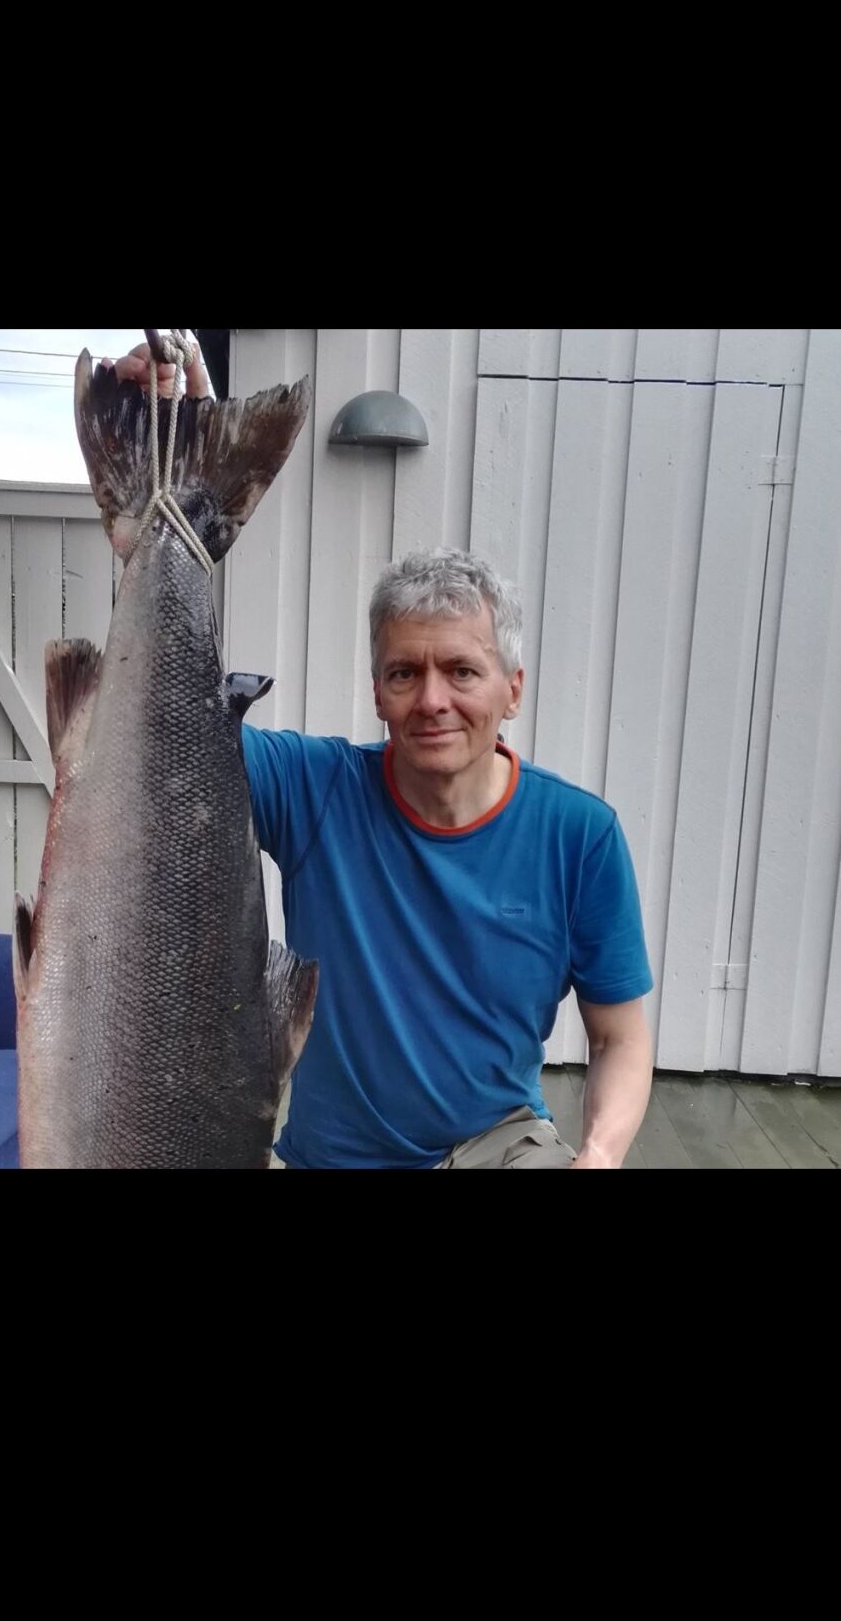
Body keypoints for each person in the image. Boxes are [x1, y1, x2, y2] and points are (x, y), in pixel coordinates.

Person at [109, 341, 654, 1169]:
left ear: (513, 688)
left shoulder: (580, 836)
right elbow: (158, 743)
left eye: (460, 671)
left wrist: (603, 1152)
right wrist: (165, 488)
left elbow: (619, 1036)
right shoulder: (315, 787)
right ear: (376, 690)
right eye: (406, 672)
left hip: (494, 1147)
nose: (432, 699)